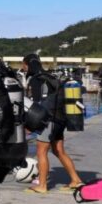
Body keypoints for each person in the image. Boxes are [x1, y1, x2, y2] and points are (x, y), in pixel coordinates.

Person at [21, 54, 83, 194]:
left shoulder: (36, 79)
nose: (23, 68)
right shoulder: (50, 76)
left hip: (48, 120)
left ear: (28, 64)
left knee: (41, 151)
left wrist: (30, 125)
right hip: (60, 119)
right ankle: (76, 180)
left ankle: (42, 185)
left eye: (24, 65)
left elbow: (36, 105)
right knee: (58, 151)